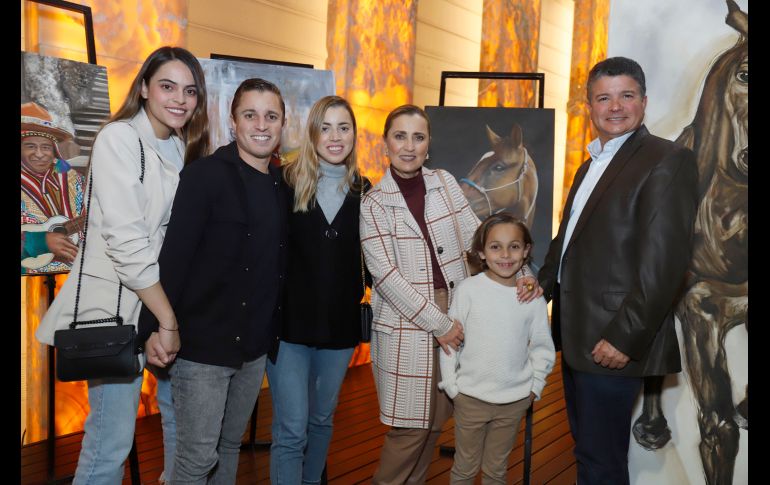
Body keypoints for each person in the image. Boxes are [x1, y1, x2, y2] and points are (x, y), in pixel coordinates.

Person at [35, 46, 210, 484]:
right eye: (167, 86)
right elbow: (127, 242)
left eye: (190, 91)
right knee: (110, 442)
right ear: (145, 88)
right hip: (119, 308)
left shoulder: (179, 145)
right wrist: (167, 319)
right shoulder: (119, 139)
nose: (179, 99)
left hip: (162, 303)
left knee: (182, 427)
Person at [537, 56, 698, 485]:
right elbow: (566, 240)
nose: (614, 106)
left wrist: (624, 337)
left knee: (602, 462)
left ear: (644, 102)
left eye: (625, 96)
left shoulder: (668, 160)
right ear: (589, 106)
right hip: (576, 335)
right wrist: (537, 287)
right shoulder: (589, 164)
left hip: (613, 341)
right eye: (603, 98)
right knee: (589, 453)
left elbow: (665, 265)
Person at [359, 104, 541, 484]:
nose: (409, 146)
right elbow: (386, 277)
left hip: (458, 313)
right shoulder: (374, 203)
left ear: (429, 144)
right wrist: (439, 323)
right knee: (408, 430)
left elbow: (479, 238)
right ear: (385, 143)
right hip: (409, 323)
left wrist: (523, 273)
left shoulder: (443, 182)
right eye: (400, 136)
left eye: (419, 137)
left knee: (434, 425)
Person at [138, 77, 288, 484]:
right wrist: (154, 328)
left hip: (253, 349)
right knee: (195, 460)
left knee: (227, 447)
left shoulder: (282, 184)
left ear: (282, 124)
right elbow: (174, 259)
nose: (261, 124)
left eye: (271, 116)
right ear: (233, 121)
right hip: (202, 348)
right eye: (250, 114)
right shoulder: (204, 176)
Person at [266, 95, 369, 484]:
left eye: (343, 127)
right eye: (325, 127)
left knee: (321, 420)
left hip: (340, 331)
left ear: (354, 135)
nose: (335, 136)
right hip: (288, 329)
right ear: (311, 133)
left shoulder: (365, 190)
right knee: (292, 428)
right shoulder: (284, 183)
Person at [438, 212, 555, 484]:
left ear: (525, 251)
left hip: (513, 402)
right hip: (470, 398)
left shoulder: (532, 298)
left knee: (496, 470)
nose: (505, 255)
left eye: (514, 246)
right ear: (481, 252)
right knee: (464, 469)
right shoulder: (468, 290)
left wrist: (534, 387)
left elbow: (542, 348)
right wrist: (453, 386)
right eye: (495, 247)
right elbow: (450, 342)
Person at [21, 102, 85, 274]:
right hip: (29, 288)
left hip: (78, 278)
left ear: (54, 150)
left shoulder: (76, 181)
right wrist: (41, 242)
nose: (40, 154)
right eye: (30, 146)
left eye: (46, 147)